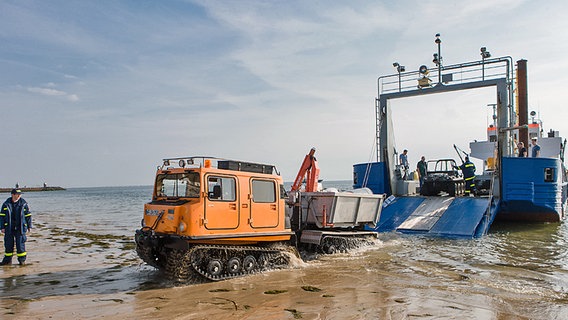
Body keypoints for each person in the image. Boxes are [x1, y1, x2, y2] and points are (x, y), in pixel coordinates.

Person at [0, 189, 32, 265]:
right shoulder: (6, 204)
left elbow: (28, 215)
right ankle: (7, 261)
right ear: (13, 195)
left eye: (20, 194)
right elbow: (1, 216)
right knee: (8, 244)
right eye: (17, 194)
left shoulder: (23, 203)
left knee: (20, 244)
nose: (19, 196)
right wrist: (2, 227)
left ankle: (22, 261)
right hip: (9, 227)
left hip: (20, 227)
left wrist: (29, 226)